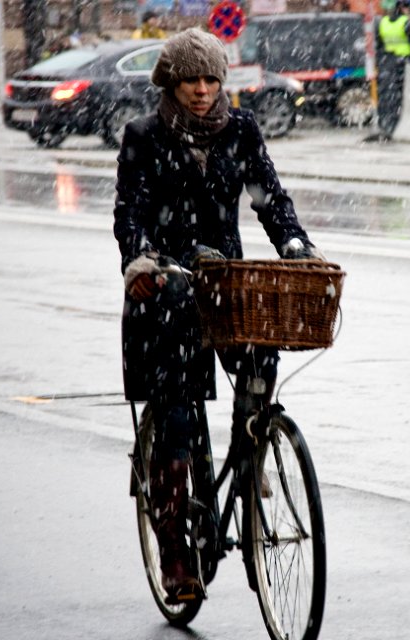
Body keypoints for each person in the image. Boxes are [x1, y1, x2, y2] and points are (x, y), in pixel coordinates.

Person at [113, 28, 324, 602]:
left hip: (228, 288)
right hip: (168, 289)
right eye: (190, 80)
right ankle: (177, 554)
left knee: (261, 356)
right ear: (170, 83)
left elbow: (269, 198)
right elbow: (128, 214)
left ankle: (252, 449)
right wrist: (140, 262)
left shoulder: (241, 130)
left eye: (210, 79)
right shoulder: (144, 136)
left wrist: (296, 246)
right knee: (177, 420)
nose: (202, 90)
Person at [375, 0, 410, 140]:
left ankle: (387, 124)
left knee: (389, 97)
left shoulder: (382, 23)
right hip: (405, 64)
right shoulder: (405, 22)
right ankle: (394, 123)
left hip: (388, 64)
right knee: (402, 97)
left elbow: (379, 46)